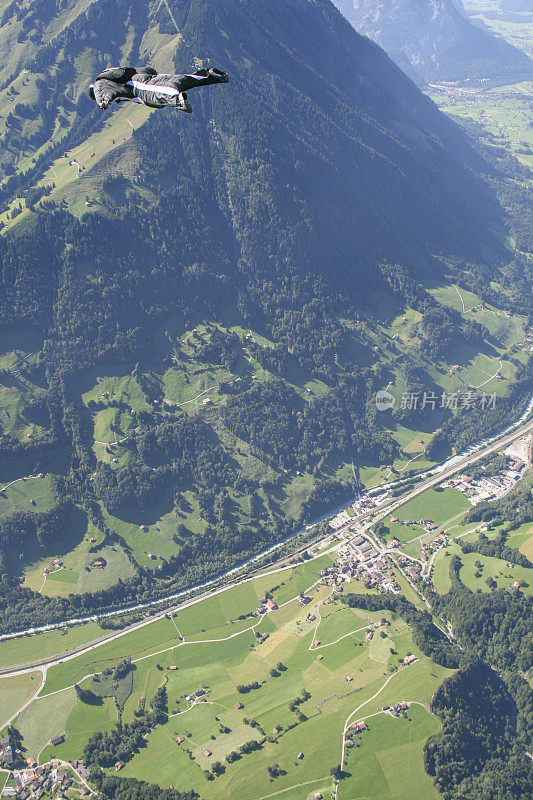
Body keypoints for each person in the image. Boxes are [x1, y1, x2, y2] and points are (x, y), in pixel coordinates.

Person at [89, 65, 229, 113]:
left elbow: (102, 92)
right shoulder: (111, 73)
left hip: (136, 85)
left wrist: (103, 101)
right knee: (181, 80)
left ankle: (178, 101)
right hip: (145, 75)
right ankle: (211, 75)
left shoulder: (99, 84)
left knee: (156, 93)